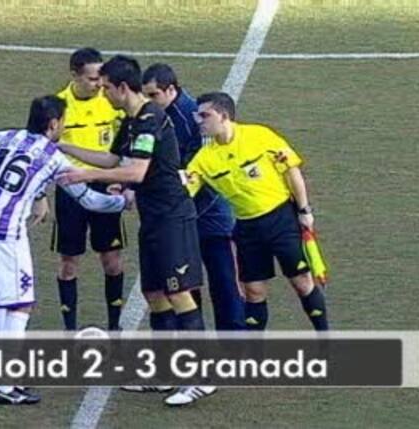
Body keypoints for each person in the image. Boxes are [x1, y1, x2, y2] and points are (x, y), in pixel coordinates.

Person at [0, 95, 130, 405]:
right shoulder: (53, 158)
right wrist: (122, 202)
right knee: (20, 305)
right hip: (6, 233)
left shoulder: (3, 137)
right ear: (53, 123)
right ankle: (6, 385)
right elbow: (87, 199)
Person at [57, 55, 217, 407]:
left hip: (172, 218)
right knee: (154, 294)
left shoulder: (149, 119)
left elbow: (135, 172)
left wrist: (85, 175)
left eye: (106, 88)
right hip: (153, 218)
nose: (102, 93)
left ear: (122, 87)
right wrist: (63, 147)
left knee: (179, 293)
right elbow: (114, 159)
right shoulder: (131, 121)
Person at [185, 92, 329, 332]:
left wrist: (304, 210)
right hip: (247, 228)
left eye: (205, 115)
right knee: (253, 291)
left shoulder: (260, 136)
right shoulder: (203, 160)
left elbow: (291, 171)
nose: (199, 121)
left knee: (302, 282)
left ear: (223, 116)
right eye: (197, 116)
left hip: (281, 219)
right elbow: (185, 190)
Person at [141, 63, 245, 330]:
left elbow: (204, 172)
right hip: (181, 215)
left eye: (153, 95)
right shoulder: (156, 115)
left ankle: (233, 345)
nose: (148, 101)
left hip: (208, 216)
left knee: (223, 284)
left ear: (170, 90)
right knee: (186, 285)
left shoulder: (192, 118)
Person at [53, 48, 126, 331]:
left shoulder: (110, 102)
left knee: (112, 259)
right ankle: (69, 331)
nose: (99, 84)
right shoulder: (58, 107)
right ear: (74, 75)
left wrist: (121, 179)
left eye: (101, 78)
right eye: (93, 79)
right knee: (69, 261)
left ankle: (115, 328)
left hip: (106, 184)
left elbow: (125, 142)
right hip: (70, 188)